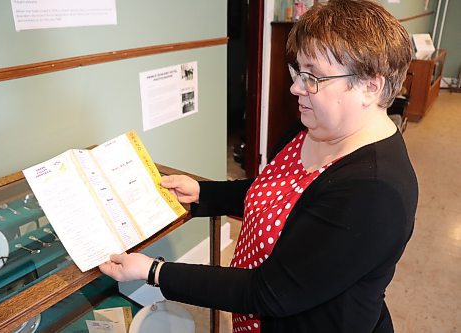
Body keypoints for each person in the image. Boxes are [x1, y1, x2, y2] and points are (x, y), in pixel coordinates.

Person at [99, 1, 418, 332]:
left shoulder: (375, 193)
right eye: (298, 71)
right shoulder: (315, 125)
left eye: (312, 76)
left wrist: (154, 271)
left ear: (370, 86)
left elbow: (270, 291)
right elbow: (273, 192)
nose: (296, 87)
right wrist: (202, 193)